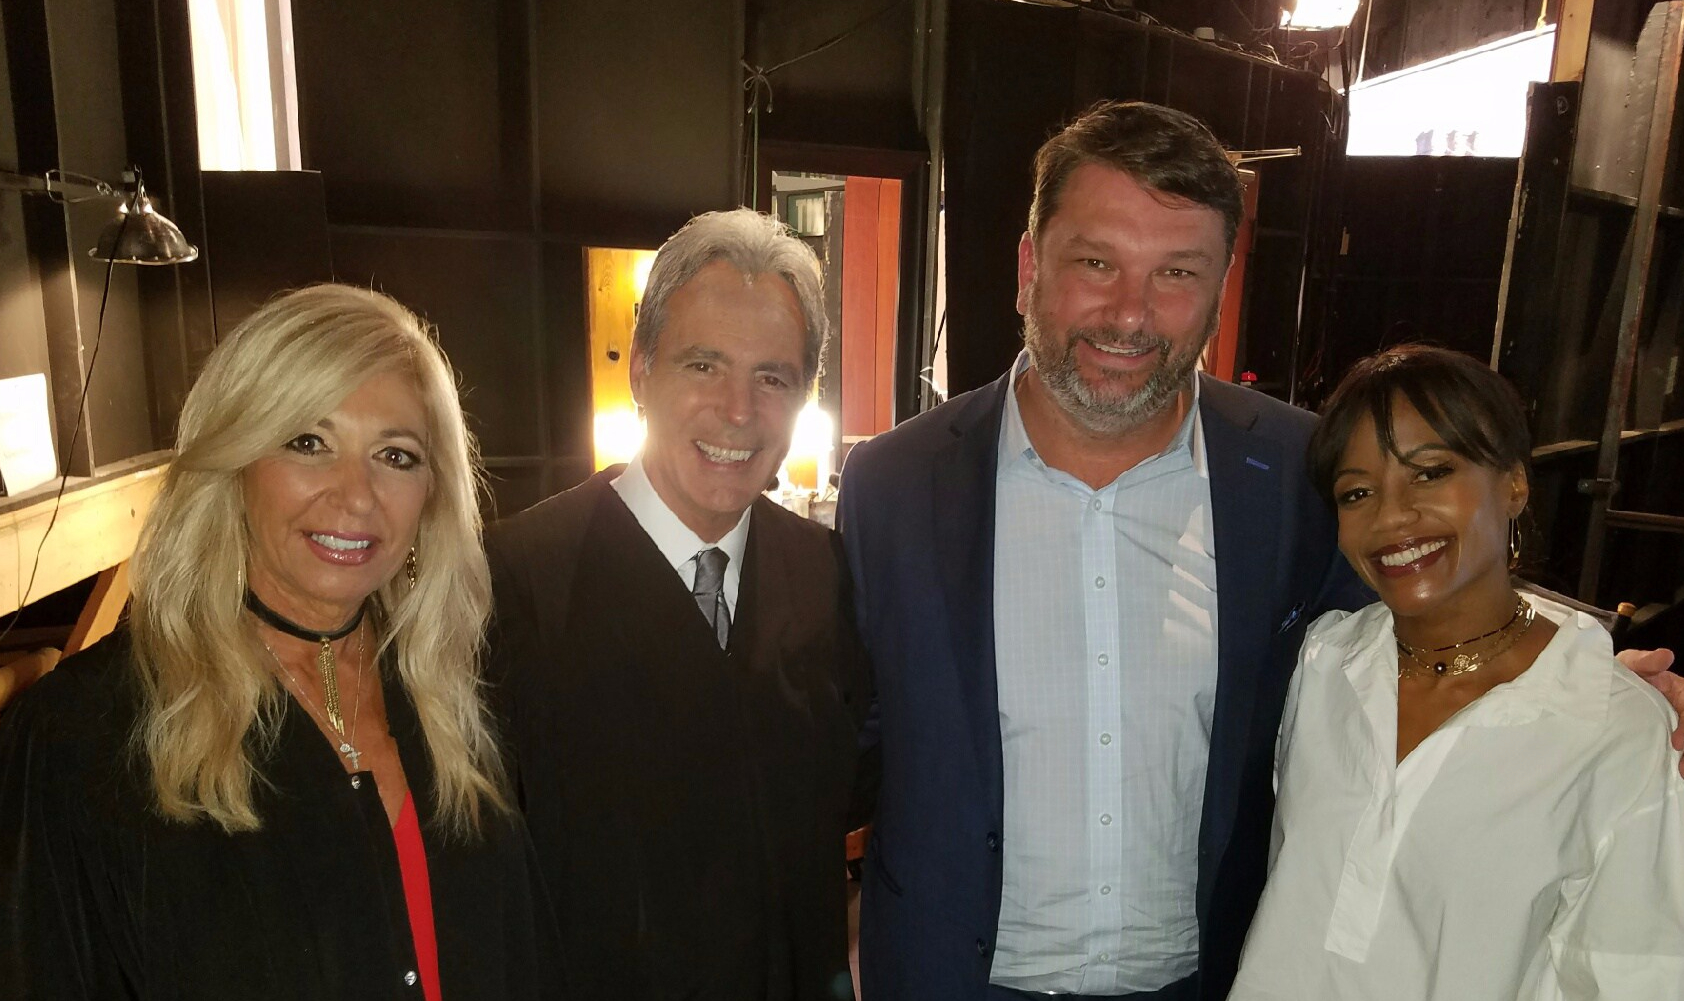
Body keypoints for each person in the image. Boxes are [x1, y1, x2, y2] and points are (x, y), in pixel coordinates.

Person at [837, 100, 1684, 1001]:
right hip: (949, 980)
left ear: (1219, 288)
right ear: (1027, 267)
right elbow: (839, 730)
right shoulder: (894, 483)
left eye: (1177, 272)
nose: (1130, 313)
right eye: (1096, 262)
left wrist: (1586, 676)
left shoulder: (1296, 471)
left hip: (1213, 981)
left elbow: (1419, 598)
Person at [0, 284, 561, 1001]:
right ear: (234, 464)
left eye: (396, 455)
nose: (356, 495)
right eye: (307, 442)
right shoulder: (77, 740)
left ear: (433, 494)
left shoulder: (467, 696)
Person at [486, 208, 868, 1001]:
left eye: (773, 377)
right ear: (641, 371)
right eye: (704, 365)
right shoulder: (514, 582)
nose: (738, 410)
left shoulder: (823, 574)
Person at [1229, 344, 1684, 998]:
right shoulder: (1324, 661)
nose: (1391, 516)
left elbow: (1632, 977)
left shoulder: (1616, 728)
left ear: (1514, 484)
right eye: (1357, 492)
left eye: (1430, 472)